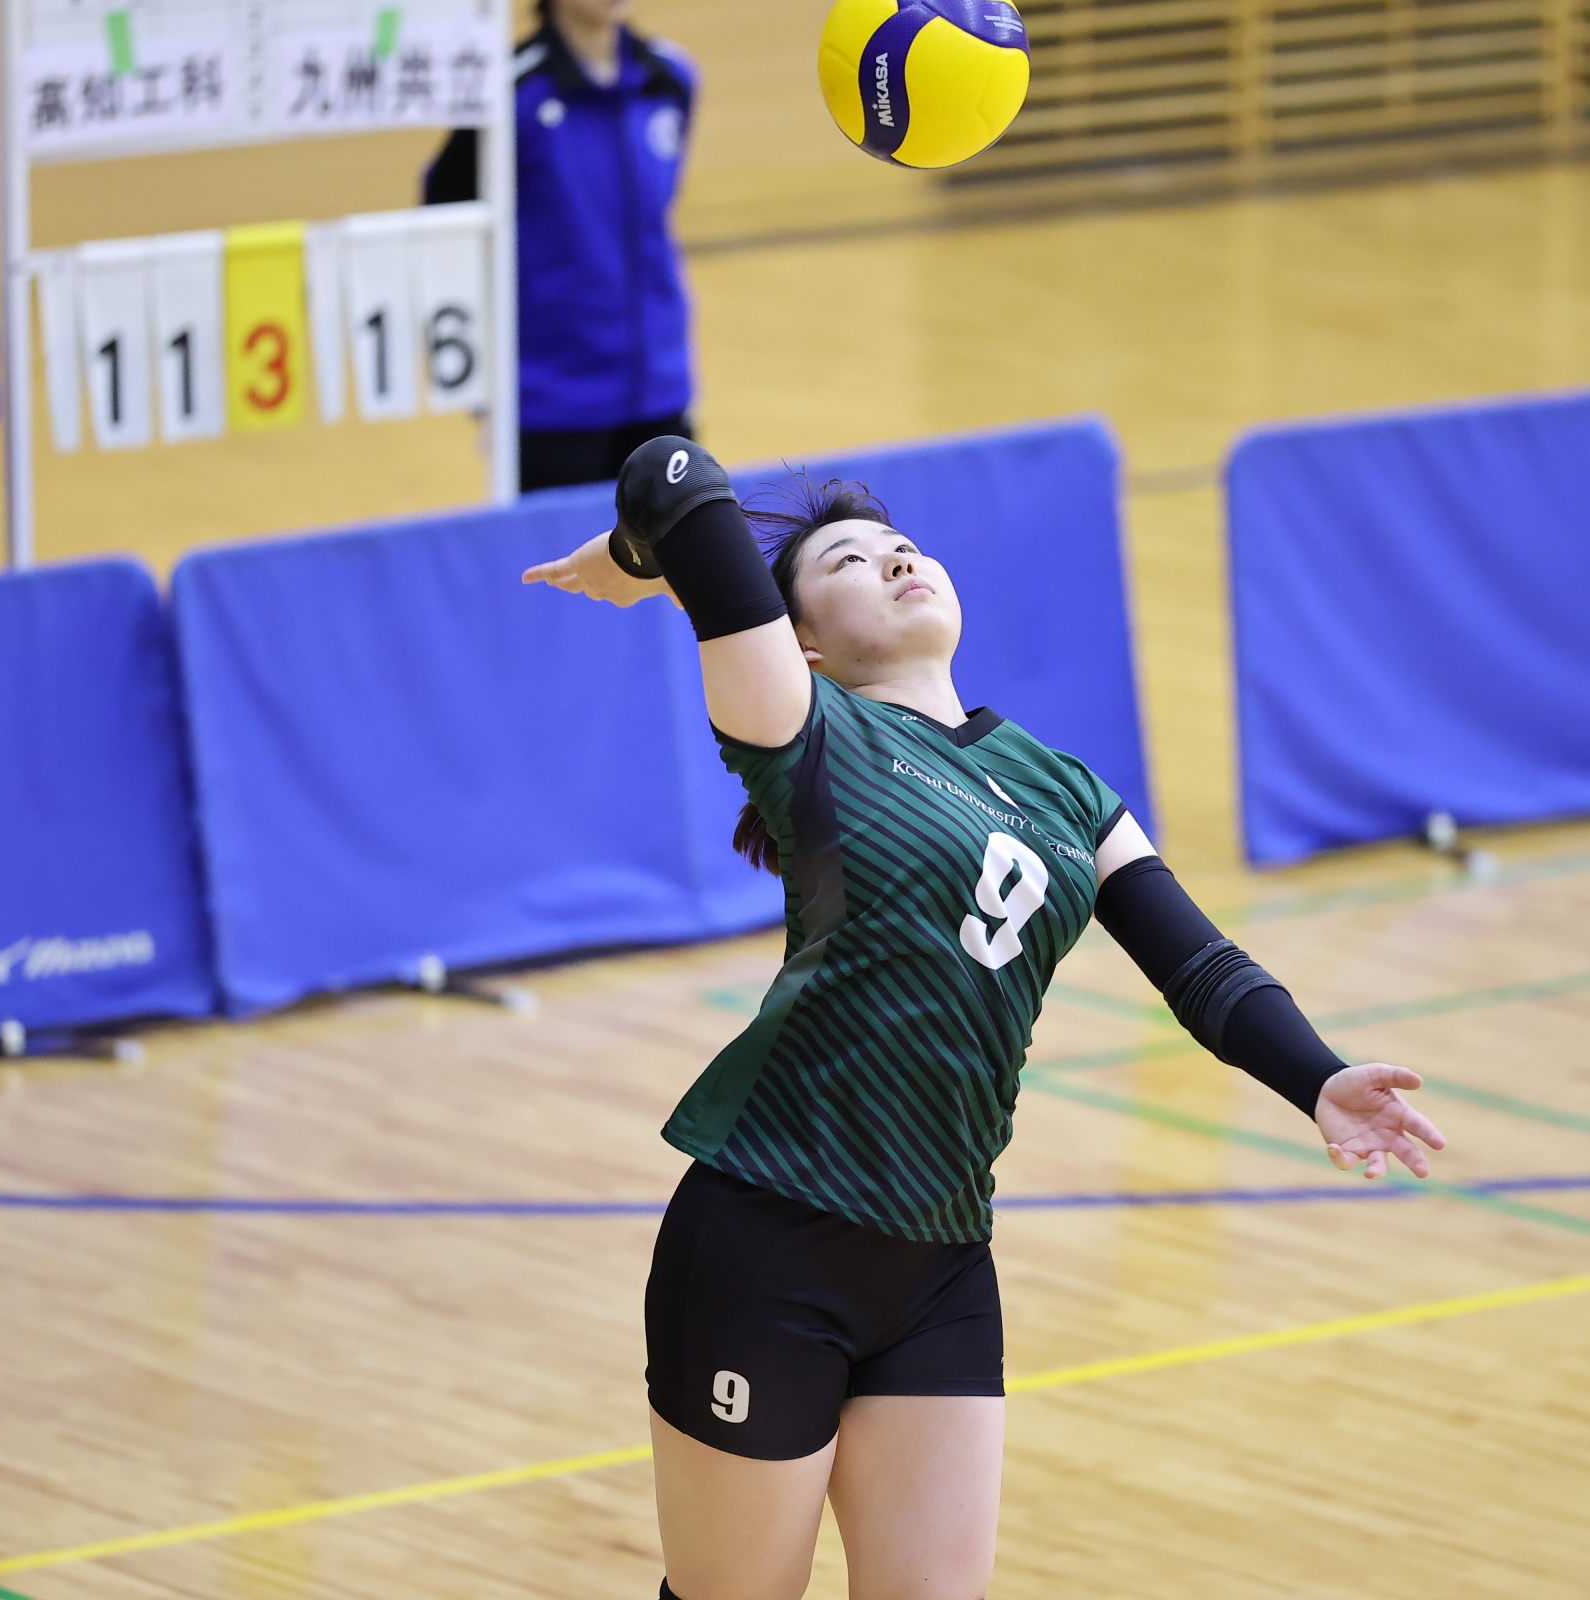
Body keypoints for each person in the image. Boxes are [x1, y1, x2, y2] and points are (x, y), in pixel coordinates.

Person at [524, 436, 1448, 1600]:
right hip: (770, 1234)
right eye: (848, 562)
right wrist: (635, 560)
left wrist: (1316, 1077)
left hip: (939, 1259)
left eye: (901, 545)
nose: (894, 560)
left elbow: (1201, 965)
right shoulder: (802, 728)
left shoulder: (1068, 790)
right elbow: (673, 475)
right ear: (802, 640)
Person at [424, 0, 697, 492]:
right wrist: (482, 385)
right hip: (551, 402)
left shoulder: (671, 79)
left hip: (660, 390)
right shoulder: (507, 91)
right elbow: (447, 222)